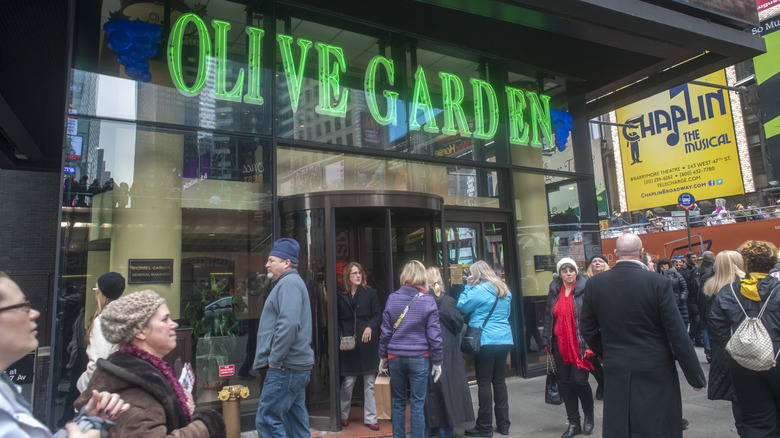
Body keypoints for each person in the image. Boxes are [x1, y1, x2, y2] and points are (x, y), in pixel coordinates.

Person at [580, 234, 706, 438]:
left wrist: (607, 351)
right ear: (641, 252)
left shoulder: (596, 283)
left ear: (615, 254)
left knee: (620, 422)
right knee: (657, 424)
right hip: (655, 364)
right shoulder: (658, 282)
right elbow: (677, 332)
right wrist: (695, 376)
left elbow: (587, 328)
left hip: (617, 362)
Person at [74, 290, 224, 437]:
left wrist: (181, 410)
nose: (174, 325)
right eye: (165, 320)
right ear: (140, 332)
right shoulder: (135, 388)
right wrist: (205, 427)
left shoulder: (139, 372)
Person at [0, 272, 129, 438]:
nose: (34, 313)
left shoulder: (8, 390)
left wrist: (86, 410)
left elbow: (99, 362)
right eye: (20, 306)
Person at [708, 240, 780, 436]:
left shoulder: (728, 291)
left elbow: (716, 327)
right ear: (773, 262)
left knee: (754, 419)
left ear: (745, 263)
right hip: (777, 360)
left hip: (743, 364)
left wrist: (736, 349)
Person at [253, 238, 314, 438]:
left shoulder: (288, 284)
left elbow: (288, 325)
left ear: (286, 262)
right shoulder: (290, 283)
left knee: (267, 420)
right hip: (293, 367)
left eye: (271, 260)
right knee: (295, 423)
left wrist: (275, 360)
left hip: (286, 367)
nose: (267, 264)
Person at [378, 260, 443, 438]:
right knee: (417, 404)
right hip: (419, 357)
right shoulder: (428, 301)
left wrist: (382, 356)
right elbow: (434, 336)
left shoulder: (392, 298)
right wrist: (437, 361)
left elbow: (385, 332)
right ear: (422, 276)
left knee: (398, 403)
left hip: (395, 356)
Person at [458, 261, 514, 437]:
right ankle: (504, 425)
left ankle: (484, 426)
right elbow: (506, 314)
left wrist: (467, 287)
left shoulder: (479, 290)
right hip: (504, 339)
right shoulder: (504, 289)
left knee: (483, 382)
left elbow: (461, 306)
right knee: (499, 381)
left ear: (476, 275)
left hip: (486, 340)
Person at [542, 258, 594, 438]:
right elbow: (549, 317)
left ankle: (589, 415)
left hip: (580, 343)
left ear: (577, 271)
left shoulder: (586, 289)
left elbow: (593, 319)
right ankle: (573, 422)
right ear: (559, 273)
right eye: (564, 271)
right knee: (565, 384)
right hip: (559, 343)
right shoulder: (554, 290)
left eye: (571, 270)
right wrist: (546, 340)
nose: (568, 274)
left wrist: (590, 344)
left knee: (578, 381)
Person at [423, 267, 474, 438]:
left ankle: (430, 428)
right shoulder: (447, 301)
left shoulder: (422, 301)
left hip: (427, 348)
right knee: (449, 388)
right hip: (448, 349)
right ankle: (446, 430)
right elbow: (458, 325)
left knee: (430, 388)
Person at [703, 250, 746, 435]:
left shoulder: (709, 287)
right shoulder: (746, 286)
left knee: (736, 394)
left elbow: (708, 321)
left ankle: (741, 427)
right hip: (747, 345)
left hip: (724, 349)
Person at [337, 262, 381, 430]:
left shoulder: (370, 293)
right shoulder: (340, 295)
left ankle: (371, 418)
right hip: (348, 344)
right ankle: (342, 414)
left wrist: (370, 326)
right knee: (348, 381)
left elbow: (378, 315)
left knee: (369, 382)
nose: (358, 275)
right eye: (354, 273)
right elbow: (335, 320)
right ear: (347, 276)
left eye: (360, 273)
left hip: (367, 343)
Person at [76, 272, 125, 393]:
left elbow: (99, 363)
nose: (95, 292)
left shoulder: (104, 321)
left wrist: (82, 385)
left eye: (95, 288)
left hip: (106, 392)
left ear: (101, 292)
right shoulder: (127, 316)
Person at [582, 255, 608, 400]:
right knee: (592, 358)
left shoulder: (612, 279)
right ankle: (602, 380)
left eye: (600, 261)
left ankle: (606, 384)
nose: (597, 263)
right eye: (594, 261)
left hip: (608, 324)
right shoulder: (587, 282)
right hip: (593, 324)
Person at [656, 258, 690, 327]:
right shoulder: (657, 276)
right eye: (661, 265)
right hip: (667, 304)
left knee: (683, 322)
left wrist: (681, 298)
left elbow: (684, 288)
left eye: (665, 264)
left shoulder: (676, 275)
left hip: (679, 303)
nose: (663, 266)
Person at [678, 251, 702, 345]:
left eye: (696, 257)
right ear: (688, 259)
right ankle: (691, 335)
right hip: (689, 297)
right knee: (694, 317)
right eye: (692, 258)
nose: (695, 259)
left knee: (697, 317)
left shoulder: (698, 268)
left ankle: (695, 336)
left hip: (696, 296)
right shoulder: (683, 269)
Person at [697, 251, 715, 359]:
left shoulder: (699, 271)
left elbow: (698, 291)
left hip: (704, 305)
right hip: (713, 305)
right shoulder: (716, 273)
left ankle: (708, 351)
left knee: (704, 327)